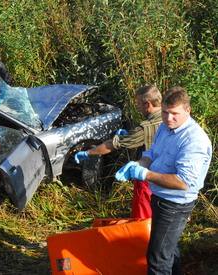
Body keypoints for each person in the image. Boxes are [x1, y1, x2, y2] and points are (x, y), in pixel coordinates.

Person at [115, 87, 212, 274]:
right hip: (158, 197)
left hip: (174, 205)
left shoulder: (194, 140)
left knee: (158, 259)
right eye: (165, 112)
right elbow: (152, 153)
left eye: (174, 114)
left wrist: (144, 174)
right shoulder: (165, 127)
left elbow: (183, 183)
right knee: (168, 248)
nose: (168, 118)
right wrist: (139, 164)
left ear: (187, 110)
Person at [74, 85, 162, 219]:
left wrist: (88, 153)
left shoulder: (145, 128)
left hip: (148, 176)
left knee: (143, 216)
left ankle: (142, 238)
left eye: (138, 103)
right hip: (168, 177)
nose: (137, 107)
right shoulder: (170, 117)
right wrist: (131, 136)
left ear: (147, 104)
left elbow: (112, 145)